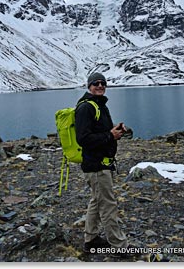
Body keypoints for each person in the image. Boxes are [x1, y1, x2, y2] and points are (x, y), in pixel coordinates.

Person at [75, 72, 129, 254]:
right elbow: (83, 138)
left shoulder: (100, 106)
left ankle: (90, 239)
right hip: (96, 166)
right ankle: (119, 247)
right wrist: (109, 135)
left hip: (103, 164)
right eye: (96, 83)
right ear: (89, 86)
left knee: (97, 202)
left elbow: (102, 133)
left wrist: (116, 132)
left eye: (102, 83)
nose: (100, 86)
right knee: (108, 205)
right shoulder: (86, 108)